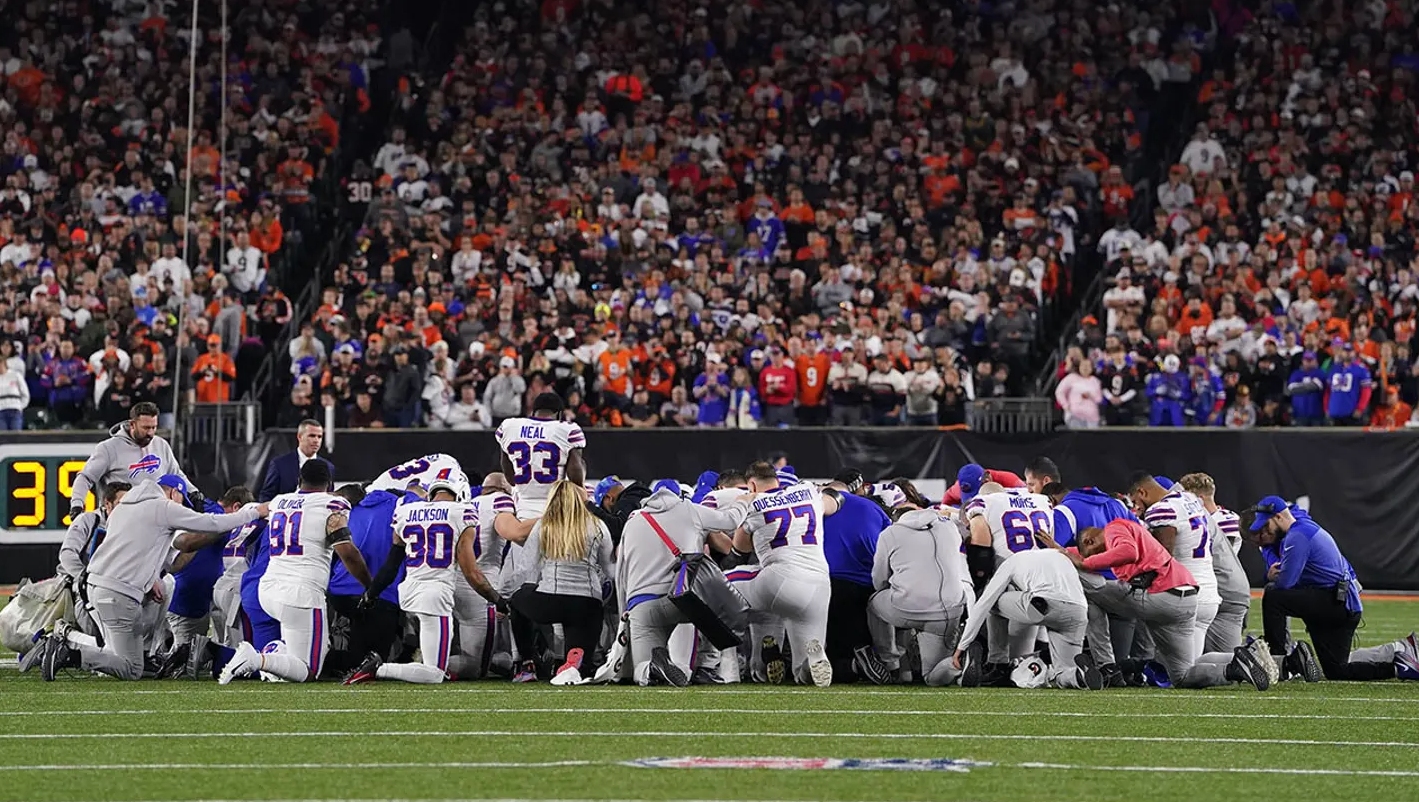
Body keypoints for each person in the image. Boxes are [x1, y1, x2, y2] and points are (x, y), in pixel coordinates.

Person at [27, 475, 267, 681]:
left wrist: (151, 576)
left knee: (132, 646)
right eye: (181, 501)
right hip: (117, 593)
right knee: (131, 669)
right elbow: (211, 522)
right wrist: (254, 512)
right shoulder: (162, 507)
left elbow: (136, 548)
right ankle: (68, 649)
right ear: (174, 493)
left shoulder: (124, 507)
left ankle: (73, 644)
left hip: (97, 587)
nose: (181, 507)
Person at [1039, 519, 1276, 691]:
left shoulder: (1115, 528)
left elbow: (1127, 552)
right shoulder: (1128, 532)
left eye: (1087, 550)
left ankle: (1107, 664)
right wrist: (1063, 551)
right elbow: (1090, 555)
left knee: (1092, 586)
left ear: (1090, 540)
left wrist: (1084, 562)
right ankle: (1235, 665)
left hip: (1158, 594)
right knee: (1182, 675)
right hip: (1185, 600)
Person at [220, 460, 373, 684]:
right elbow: (346, 551)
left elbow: (255, 513)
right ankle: (257, 659)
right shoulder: (333, 504)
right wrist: (369, 584)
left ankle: (271, 658)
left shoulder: (279, 501)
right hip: (301, 594)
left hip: (268, 589)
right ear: (329, 484)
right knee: (309, 669)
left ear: (299, 481)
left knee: (300, 655)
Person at [345, 473, 506, 684]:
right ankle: (379, 668)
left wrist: (371, 593)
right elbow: (471, 572)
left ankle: (396, 666)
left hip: (410, 592)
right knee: (435, 673)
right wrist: (497, 599)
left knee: (434, 661)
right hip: (435, 595)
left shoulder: (406, 511)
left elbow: (392, 563)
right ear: (461, 492)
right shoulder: (462, 512)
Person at [1247, 496, 1419, 681]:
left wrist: (1272, 575)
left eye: (1266, 526)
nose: (1265, 532)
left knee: (1274, 595)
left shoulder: (1298, 536)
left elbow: (1285, 583)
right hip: (1341, 604)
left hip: (1335, 603)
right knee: (1337, 671)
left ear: (1279, 517)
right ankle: (1399, 667)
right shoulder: (1302, 527)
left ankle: (1277, 662)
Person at [617, 480, 752, 686]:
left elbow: (621, 573)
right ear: (679, 496)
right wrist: (743, 500)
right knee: (715, 601)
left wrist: (624, 613)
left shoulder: (633, 522)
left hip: (641, 605)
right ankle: (707, 665)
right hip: (682, 601)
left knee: (641, 671)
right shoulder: (689, 510)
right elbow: (731, 520)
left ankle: (651, 669)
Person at [728, 461, 843, 687]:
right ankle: (812, 661)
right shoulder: (807, 492)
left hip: (780, 577)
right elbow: (835, 502)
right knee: (802, 672)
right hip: (819, 585)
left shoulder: (755, 503)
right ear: (776, 480)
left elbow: (738, 549)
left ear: (751, 485)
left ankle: (715, 661)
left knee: (715, 584)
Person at [509, 479, 615, 684]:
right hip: (587, 603)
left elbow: (525, 569)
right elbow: (609, 570)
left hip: (551, 601)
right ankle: (574, 663)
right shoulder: (597, 525)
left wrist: (524, 592)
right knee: (579, 669)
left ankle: (527, 662)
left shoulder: (544, 525)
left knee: (516, 600)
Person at [953, 549, 1101, 690]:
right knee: (1061, 673)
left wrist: (962, 646)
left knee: (993, 602)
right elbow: (1098, 583)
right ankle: (1078, 675)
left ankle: (997, 664)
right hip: (1078, 612)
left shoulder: (1010, 562)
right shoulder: (1060, 555)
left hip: (1043, 604)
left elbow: (983, 604)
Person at [496, 392, 587, 595]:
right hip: (556, 513)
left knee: (519, 586)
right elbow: (575, 476)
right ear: (559, 414)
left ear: (534, 410)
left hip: (523, 514)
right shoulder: (566, 430)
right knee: (554, 585)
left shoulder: (510, 426)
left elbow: (509, 474)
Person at [447, 472, 535, 679]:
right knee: (476, 668)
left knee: (494, 653)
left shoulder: (467, 503)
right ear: (505, 489)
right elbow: (514, 532)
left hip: (454, 580)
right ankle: (429, 667)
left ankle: (433, 659)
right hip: (481, 586)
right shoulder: (500, 500)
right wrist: (552, 515)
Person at [869, 507, 969, 687]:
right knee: (933, 678)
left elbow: (879, 579)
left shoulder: (890, 533)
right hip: (948, 612)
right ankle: (959, 663)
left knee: (874, 603)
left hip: (906, 608)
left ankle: (891, 663)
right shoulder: (948, 527)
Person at [963, 481, 1054, 680]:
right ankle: (1045, 656)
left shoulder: (983, 503)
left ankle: (997, 662)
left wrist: (978, 579)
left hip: (1014, 578)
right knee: (1025, 656)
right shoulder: (1042, 501)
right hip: (1048, 580)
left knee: (992, 599)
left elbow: (981, 545)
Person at [1125, 473, 1221, 658]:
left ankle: (1235, 664)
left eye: (1136, 501)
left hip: (1186, 595)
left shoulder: (1162, 509)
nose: (1137, 507)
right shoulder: (1190, 499)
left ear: (1142, 492)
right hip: (1208, 592)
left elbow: (1163, 556)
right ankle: (1237, 663)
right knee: (1189, 667)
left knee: (1183, 672)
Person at [821, 477, 892, 683]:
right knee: (861, 634)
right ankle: (879, 660)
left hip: (829, 582)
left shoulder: (817, 508)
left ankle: (854, 665)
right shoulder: (873, 508)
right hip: (869, 585)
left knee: (835, 654)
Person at [70, 402, 191, 520]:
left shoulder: (161, 445)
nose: (150, 433)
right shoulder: (108, 448)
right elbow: (85, 477)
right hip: (120, 521)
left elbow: (177, 475)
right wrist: (77, 504)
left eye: (154, 427)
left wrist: (194, 493)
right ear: (132, 424)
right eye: (146, 428)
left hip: (154, 521)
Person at [1176, 473, 1251, 653]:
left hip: (1221, 587)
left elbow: (1217, 557)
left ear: (1199, 498)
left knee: (1223, 656)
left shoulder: (1226, 520)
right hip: (1212, 588)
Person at [258, 420, 335, 502]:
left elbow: (329, 497)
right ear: (299, 437)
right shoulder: (279, 464)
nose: (316, 440)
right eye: (312, 436)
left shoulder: (328, 467)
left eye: (319, 437)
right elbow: (266, 496)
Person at [941, 463, 1026, 507]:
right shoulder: (959, 488)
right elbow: (947, 500)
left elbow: (1031, 499)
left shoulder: (1010, 481)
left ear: (987, 480)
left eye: (977, 493)